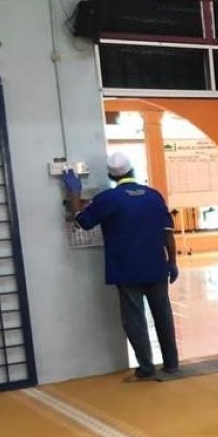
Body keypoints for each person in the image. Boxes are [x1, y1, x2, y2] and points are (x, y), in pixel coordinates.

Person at [63, 152, 180, 380]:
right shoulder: (153, 196)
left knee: (134, 319)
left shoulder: (109, 199)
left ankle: (146, 369)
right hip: (156, 267)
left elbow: (81, 220)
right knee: (163, 315)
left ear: (110, 175)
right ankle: (172, 364)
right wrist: (172, 262)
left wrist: (74, 192)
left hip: (127, 270)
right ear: (133, 170)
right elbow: (168, 233)